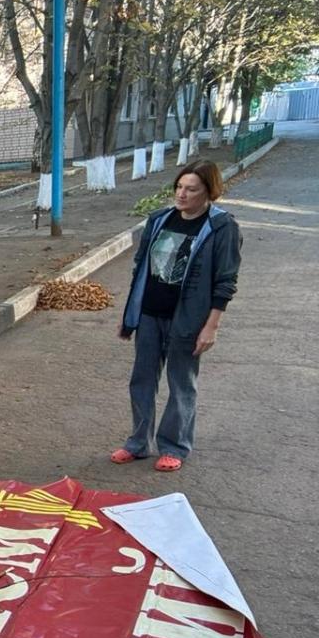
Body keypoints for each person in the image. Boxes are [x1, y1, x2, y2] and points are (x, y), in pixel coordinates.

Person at [111, 160, 241, 472]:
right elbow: (141, 266)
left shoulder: (222, 228)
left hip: (188, 319)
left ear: (209, 192)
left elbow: (226, 281)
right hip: (150, 315)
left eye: (191, 189)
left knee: (181, 383)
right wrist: (133, 311)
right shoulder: (158, 220)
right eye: (179, 187)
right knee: (141, 379)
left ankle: (174, 446)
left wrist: (211, 326)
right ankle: (138, 442)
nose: (182, 195)